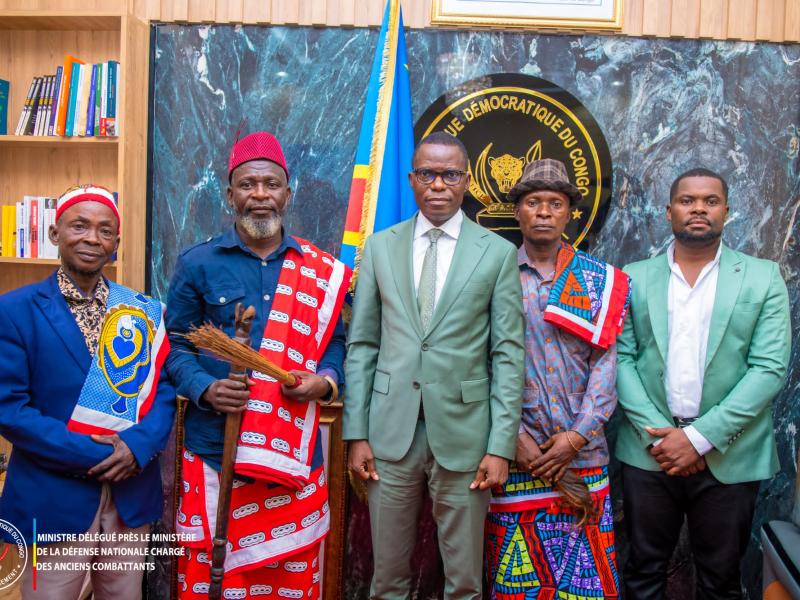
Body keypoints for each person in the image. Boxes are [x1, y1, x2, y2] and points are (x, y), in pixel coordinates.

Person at [166, 131, 350, 599]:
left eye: (271, 184)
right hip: (215, 452)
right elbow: (174, 344)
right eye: (248, 185)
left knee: (287, 579)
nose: (260, 195)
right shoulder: (197, 263)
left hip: (292, 458)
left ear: (288, 193)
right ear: (230, 195)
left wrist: (324, 382)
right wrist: (205, 388)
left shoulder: (320, 269)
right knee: (217, 580)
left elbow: (337, 344)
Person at [343, 131, 525, 599]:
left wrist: (501, 445)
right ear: (411, 179)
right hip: (389, 435)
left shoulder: (497, 253)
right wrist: (356, 434)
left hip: (466, 437)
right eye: (428, 174)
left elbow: (507, 354)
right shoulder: (381, 247)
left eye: (450, 174)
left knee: (464, 582)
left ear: (466, 182)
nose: (438, 185)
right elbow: (362, 344)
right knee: (387, 580)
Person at [616, 168, 791, 599]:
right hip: (648, 449)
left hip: (731, 453)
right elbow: (619, 359)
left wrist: (697, 439)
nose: (698, 209)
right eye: (687, 200)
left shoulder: (762, 276)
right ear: (669, 210)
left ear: (726, 211)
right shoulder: (632, 276)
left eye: (710, 201)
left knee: (720, 580)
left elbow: (768, 368)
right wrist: (664, 438)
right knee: (642, 572)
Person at [0, 184, 175, 599]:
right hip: (53, 494)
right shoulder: (13, 310)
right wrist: (98, 455)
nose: (92, 238)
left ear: (116, 242)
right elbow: (10, 409)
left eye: (105, 230)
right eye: (79, 226)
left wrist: (135, 448)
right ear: (55, 233)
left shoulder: (141, 310)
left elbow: (164, 391)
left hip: (130, 493)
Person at [484, 159, 628, 599]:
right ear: (518, 211)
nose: (544, 211)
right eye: (533, 202)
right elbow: (477, 363)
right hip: (515, 458)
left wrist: (576, 438)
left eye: (555, 203)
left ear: (570, 213)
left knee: (585, 583)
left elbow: (606, 365)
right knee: (517, 581)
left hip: (581, 458)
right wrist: (513, 440)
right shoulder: (493, 277)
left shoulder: (597, 281)